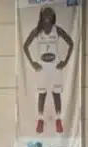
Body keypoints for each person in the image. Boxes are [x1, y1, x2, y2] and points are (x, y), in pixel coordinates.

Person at [21, 5, 75, 135]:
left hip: (55, 66)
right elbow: (25, 45)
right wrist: (32, 62)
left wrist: (65, 61)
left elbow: (71, 43)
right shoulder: (37, 31)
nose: (48, 17)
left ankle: (58, 119)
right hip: (42, 66)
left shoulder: (57, 30)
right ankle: (40, 119)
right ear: (42, 16)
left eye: (50, 14)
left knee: (56, 94)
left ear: (53, 17)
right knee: (42, 94)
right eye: (46, 14)